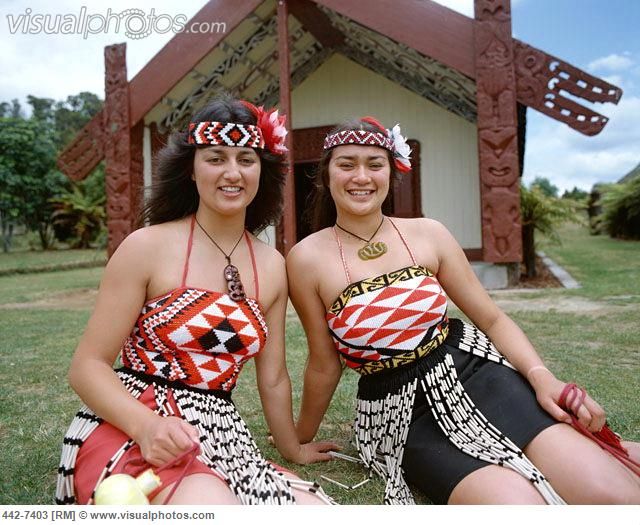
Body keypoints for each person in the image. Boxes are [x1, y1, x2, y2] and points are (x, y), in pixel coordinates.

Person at [286, 116, 640, 505]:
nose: (362, 176)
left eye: (375, 163)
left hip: (477, 373)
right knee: (515, 506)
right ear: (326, 174)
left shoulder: (429, 233)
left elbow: (491, 318)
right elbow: (324, 362)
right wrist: (300, 436)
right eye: (347, 164)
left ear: (392, 171)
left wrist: (541, 377)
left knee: (610, 493)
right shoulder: (305, 259)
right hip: (400, 414)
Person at [56, 96, 337, 505]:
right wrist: (147, 427)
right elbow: (87, 367)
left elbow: (273, 376)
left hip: (224, 433)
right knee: (208, 502)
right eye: (215, 158)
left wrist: (292, 447)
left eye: (246, 159)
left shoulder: (272, 265)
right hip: (132, 421)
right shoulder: (146, 247)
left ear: (263, 170)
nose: (232, 172)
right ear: (190, 168)